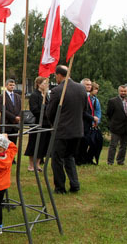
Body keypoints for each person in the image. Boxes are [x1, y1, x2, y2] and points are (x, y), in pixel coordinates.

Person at [46, 65, 86, 194]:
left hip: (62, 131)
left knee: (57, 159)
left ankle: (60, 187)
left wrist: (53, 123)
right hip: (77, 130)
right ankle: (75, 184)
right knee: (69, 157)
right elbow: (84, 109)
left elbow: (50, 112)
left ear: (59, 75)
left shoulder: (58, 90)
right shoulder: (81, 88)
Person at [25, 76, 51, 172]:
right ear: (39, 84)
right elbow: (34, 109)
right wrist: (45, 114)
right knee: (34, 144)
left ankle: (38, 164)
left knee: (43, 144)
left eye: (47, 84)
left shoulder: (46, 95)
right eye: (44, 83)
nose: (46, 85)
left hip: (46, 124)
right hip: (37, 123)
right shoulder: (34, 95)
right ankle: (31, 165)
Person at [106, 85, 127, 165]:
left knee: (124, 146)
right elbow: (109, 114)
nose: (123, 93)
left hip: (126, 127)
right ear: (119, 91)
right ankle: (110, 162)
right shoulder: (113, 101)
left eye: (125, 91)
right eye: (122, 91)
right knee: (113, 145)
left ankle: (120, 161)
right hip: (116, 127)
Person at [76, 78, 97, 165]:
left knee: (86, 142)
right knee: (80, 142)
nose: (89, 86)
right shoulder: (80, 95)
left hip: (87, 124)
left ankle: (83, 159)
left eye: (90, 85)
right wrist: (92, 118)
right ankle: (78, 160)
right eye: (87, 85)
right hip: (81, 123)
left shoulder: (89, 96)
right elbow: (82, 111)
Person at [0, 79, 21, 146]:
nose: (12, 86)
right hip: (6, 124)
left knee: (13, 145)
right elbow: (3, 110)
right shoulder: (2, 97)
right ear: (6, 85)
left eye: (13, 85)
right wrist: (14, 117)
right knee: (4, 145)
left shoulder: (17, 97)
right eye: (10, 85)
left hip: (15, 126)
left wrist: (18, 117)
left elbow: (20, 108)